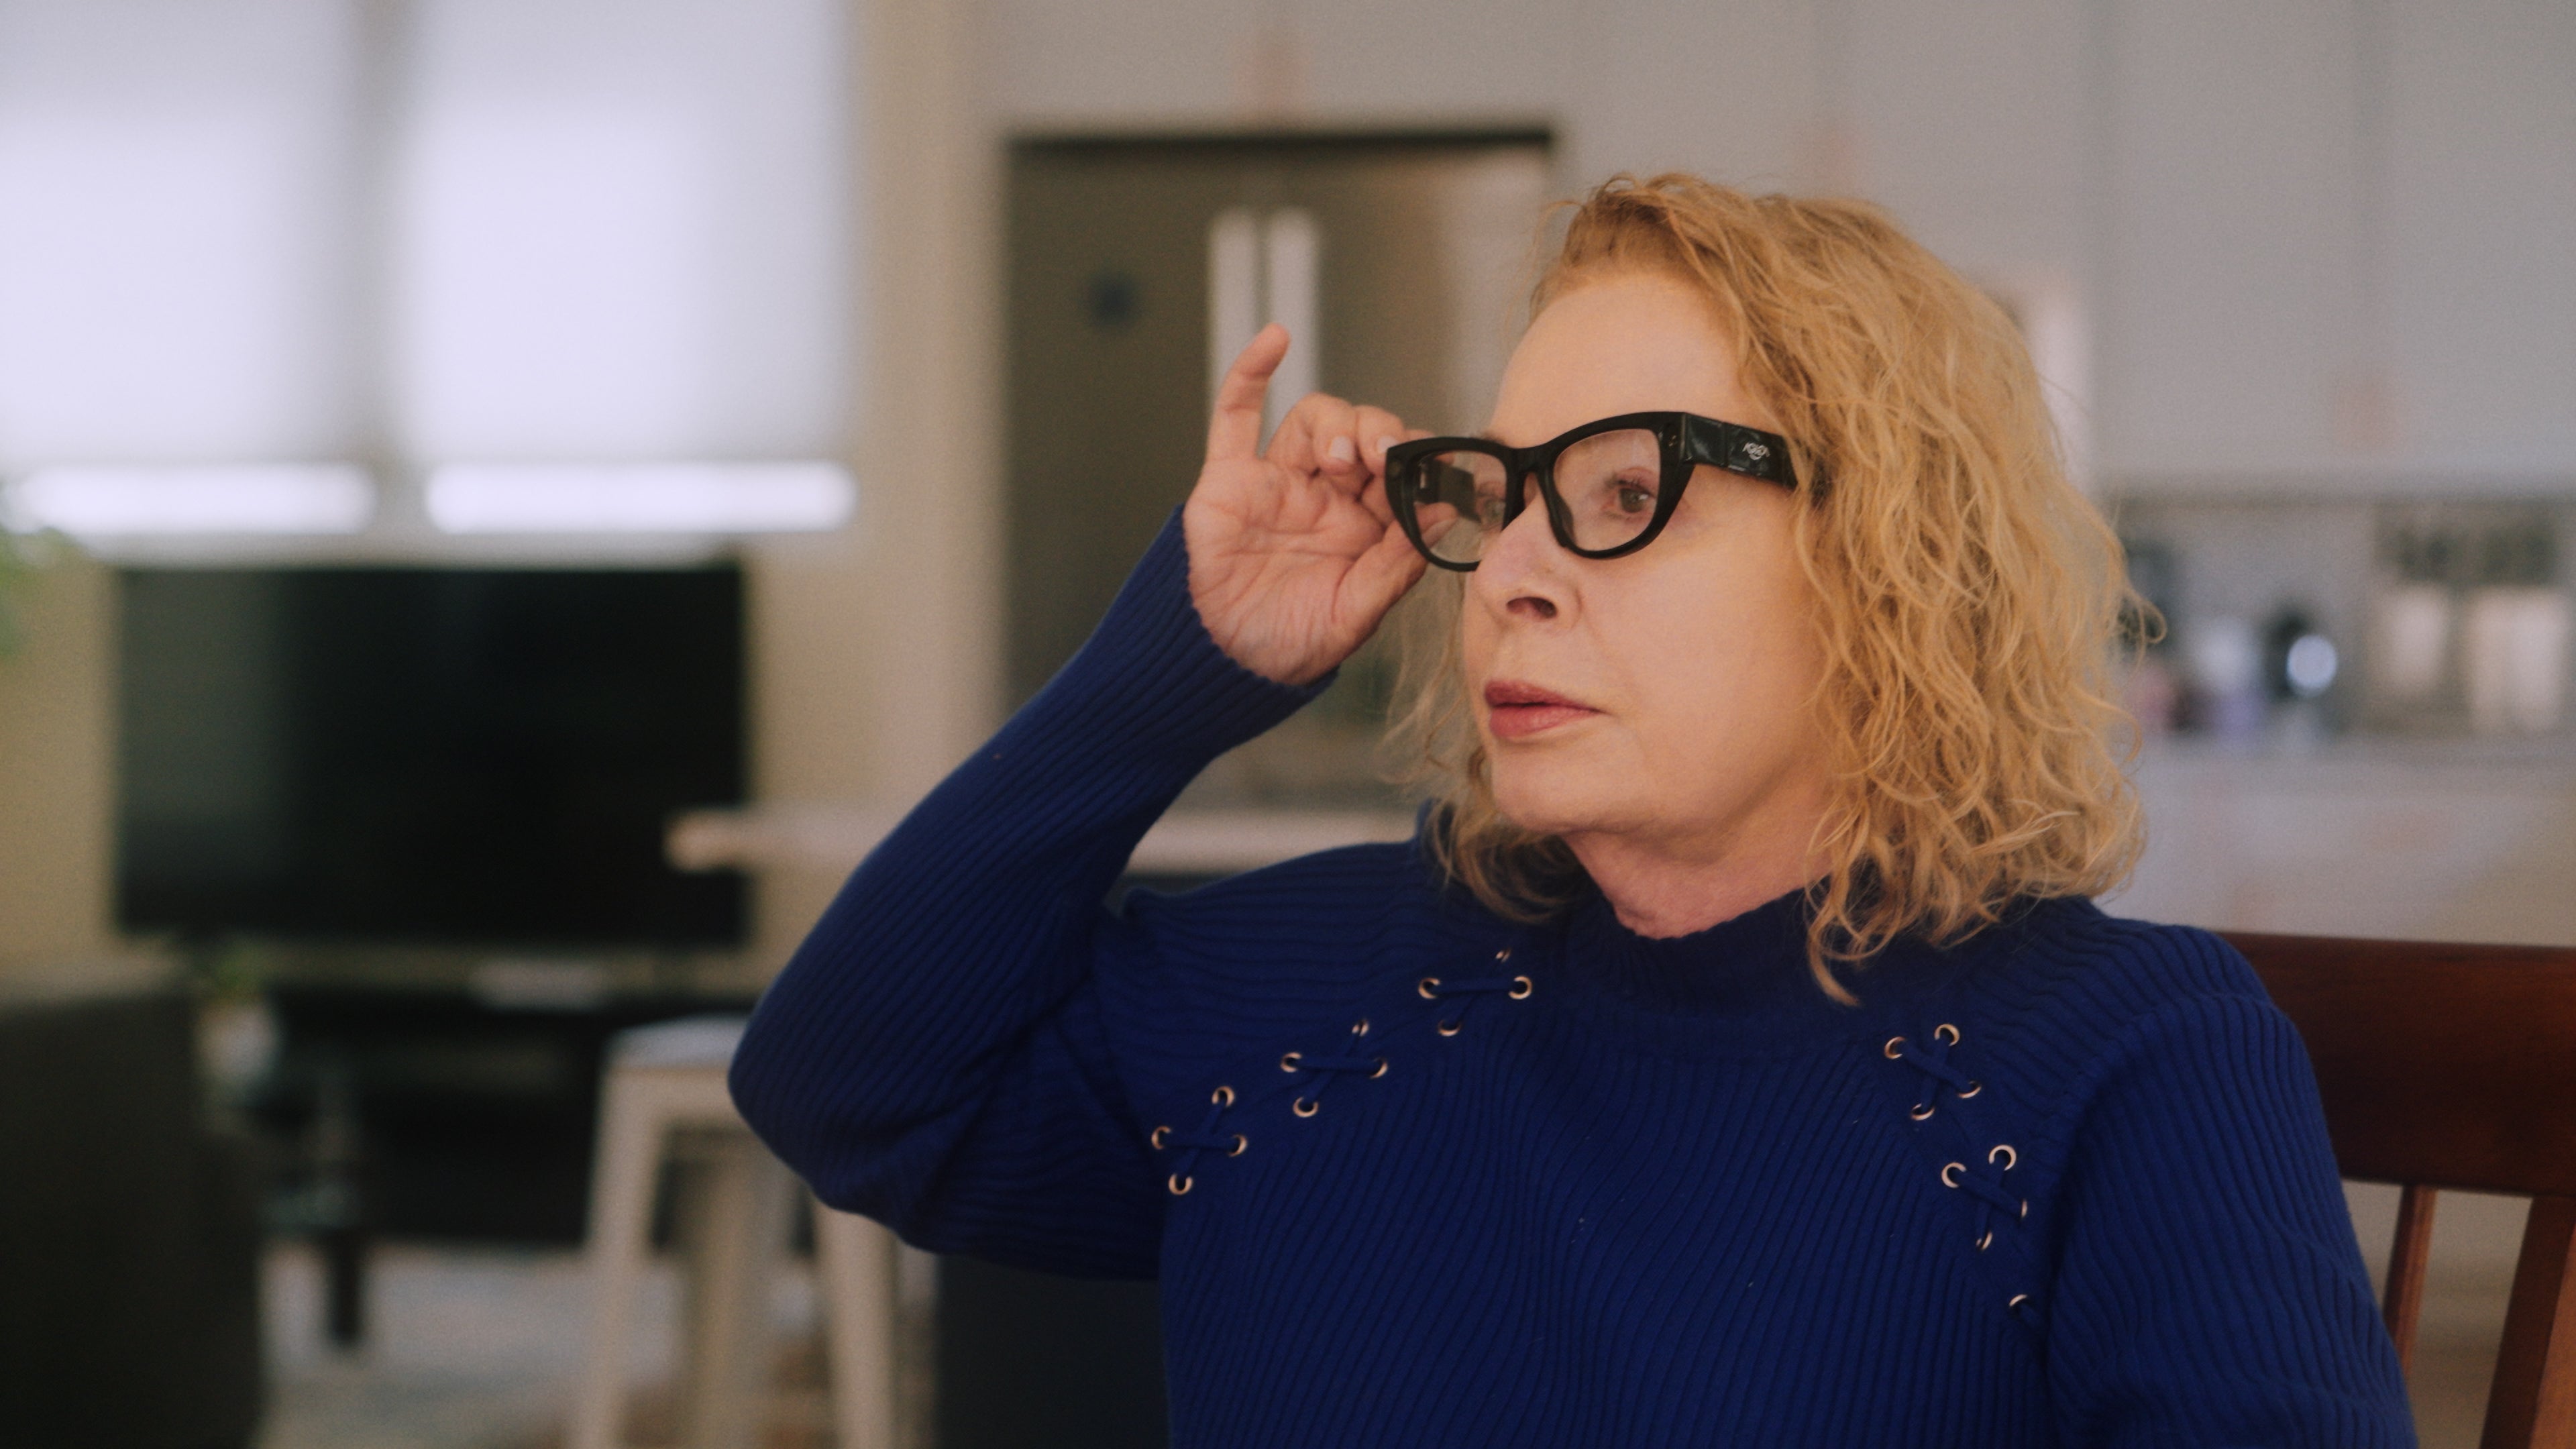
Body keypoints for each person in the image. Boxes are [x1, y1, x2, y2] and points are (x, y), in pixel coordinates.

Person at [731, 174, 2414, 1446]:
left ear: (1886, 563)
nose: (1510, 573)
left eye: (1626, 493)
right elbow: (848, 1084)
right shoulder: (1324, 1002)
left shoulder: (2126, 1060)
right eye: (1499, 493)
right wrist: (1184, 668)